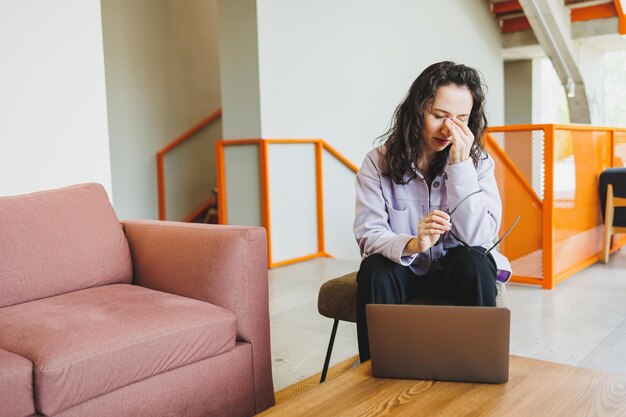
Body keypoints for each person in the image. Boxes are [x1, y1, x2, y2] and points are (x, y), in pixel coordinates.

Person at [353, 61, 512, 363]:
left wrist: (460, 166)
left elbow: (481, 237)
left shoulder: (478, 163)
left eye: (461, 119)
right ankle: (379, 374)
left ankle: (477, 368)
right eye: (439, 116)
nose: (449, 129)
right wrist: (413, 243)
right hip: (406, 267)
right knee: (375, 270)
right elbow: (368, 232)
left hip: (455, 268)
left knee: (476, 263)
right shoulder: (377, 162)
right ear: (417, 112)